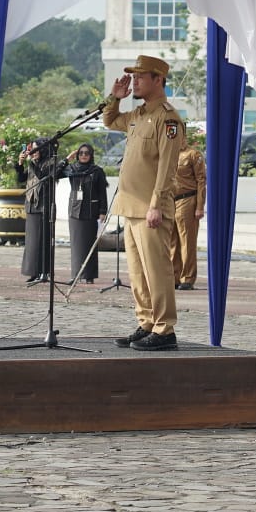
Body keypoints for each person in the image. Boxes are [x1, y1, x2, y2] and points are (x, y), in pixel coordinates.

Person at [106, 55, 185, 351]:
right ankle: (147, 321)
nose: (135, 81)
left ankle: (165, 329)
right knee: (137, 273)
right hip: (130, 205)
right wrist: (115, 98)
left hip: (151, 208)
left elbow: (167, 166)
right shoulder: (137, 115)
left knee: (157, 270)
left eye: (140, 77)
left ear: (158, 80)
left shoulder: (169, 118)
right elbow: (110, 120)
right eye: (134, 76)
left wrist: (156, 204)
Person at [63, 142, 109, 284]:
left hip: (91, 212)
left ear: (91, 155)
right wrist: (67, 159)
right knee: (76, 245)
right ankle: (76, 275)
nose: (83, 155)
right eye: (81, 153)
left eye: (86, 153)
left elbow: (102, 192)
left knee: (89, 244)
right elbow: (55, 173)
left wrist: (103, 211)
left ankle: (89, 276)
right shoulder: (72, 169)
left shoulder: (97, 171)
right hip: (75, 212)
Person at [19, 140, 63, 285]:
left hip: (44, 206)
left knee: (42, 241)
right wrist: (20, 163)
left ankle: (44, 271)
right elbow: (21, 179)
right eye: (32, 149)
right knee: (31, 242)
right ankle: (32, 272)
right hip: (32, 205)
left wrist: (31, 162)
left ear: (44, 150)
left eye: (36, 149)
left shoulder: (51, 162)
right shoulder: (34, 163)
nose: (33, 152)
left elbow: (43, 176)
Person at [167, 135, 206, 290]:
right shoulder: (168, 154)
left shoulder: (193, 155)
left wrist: (200, 206)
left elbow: (201, 181)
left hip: (187, 199)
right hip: (171, 201)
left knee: (187, 242)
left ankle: (187, 278)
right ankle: (174, 277)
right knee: (172, 242)